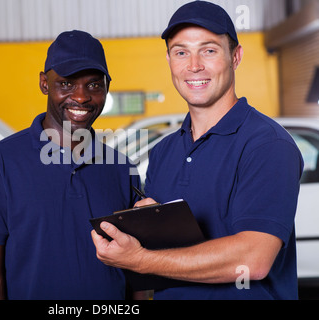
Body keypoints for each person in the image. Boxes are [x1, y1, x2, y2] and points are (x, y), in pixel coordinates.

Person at [91, 1, 304, 300]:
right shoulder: (164, 151)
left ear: (236, 56)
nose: (194, 65)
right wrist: (151, 226)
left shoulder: (267, 145)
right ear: (169, 60)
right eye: (181, 52)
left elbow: (253, 260)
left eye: (209, 50)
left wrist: (139, 259)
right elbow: (167, 258)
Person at [0, 30, 140, 300]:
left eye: (94, 85)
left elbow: (135, 274)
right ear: (45, 83)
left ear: (107, 86)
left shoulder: (121, 168)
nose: (81, 97)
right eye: (67, 84)